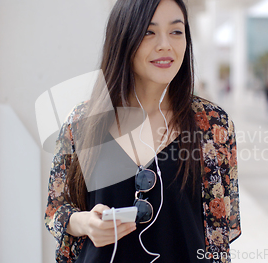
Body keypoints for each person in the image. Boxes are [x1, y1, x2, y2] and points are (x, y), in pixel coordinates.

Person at [44, 0, 241, 262]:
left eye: (176, 31)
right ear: (124, 37)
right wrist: (86, 223)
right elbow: (55, 209)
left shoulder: (213, 125)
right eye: (149, 32)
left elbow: (220, 234)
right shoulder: (82, 123)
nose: (165, 44)